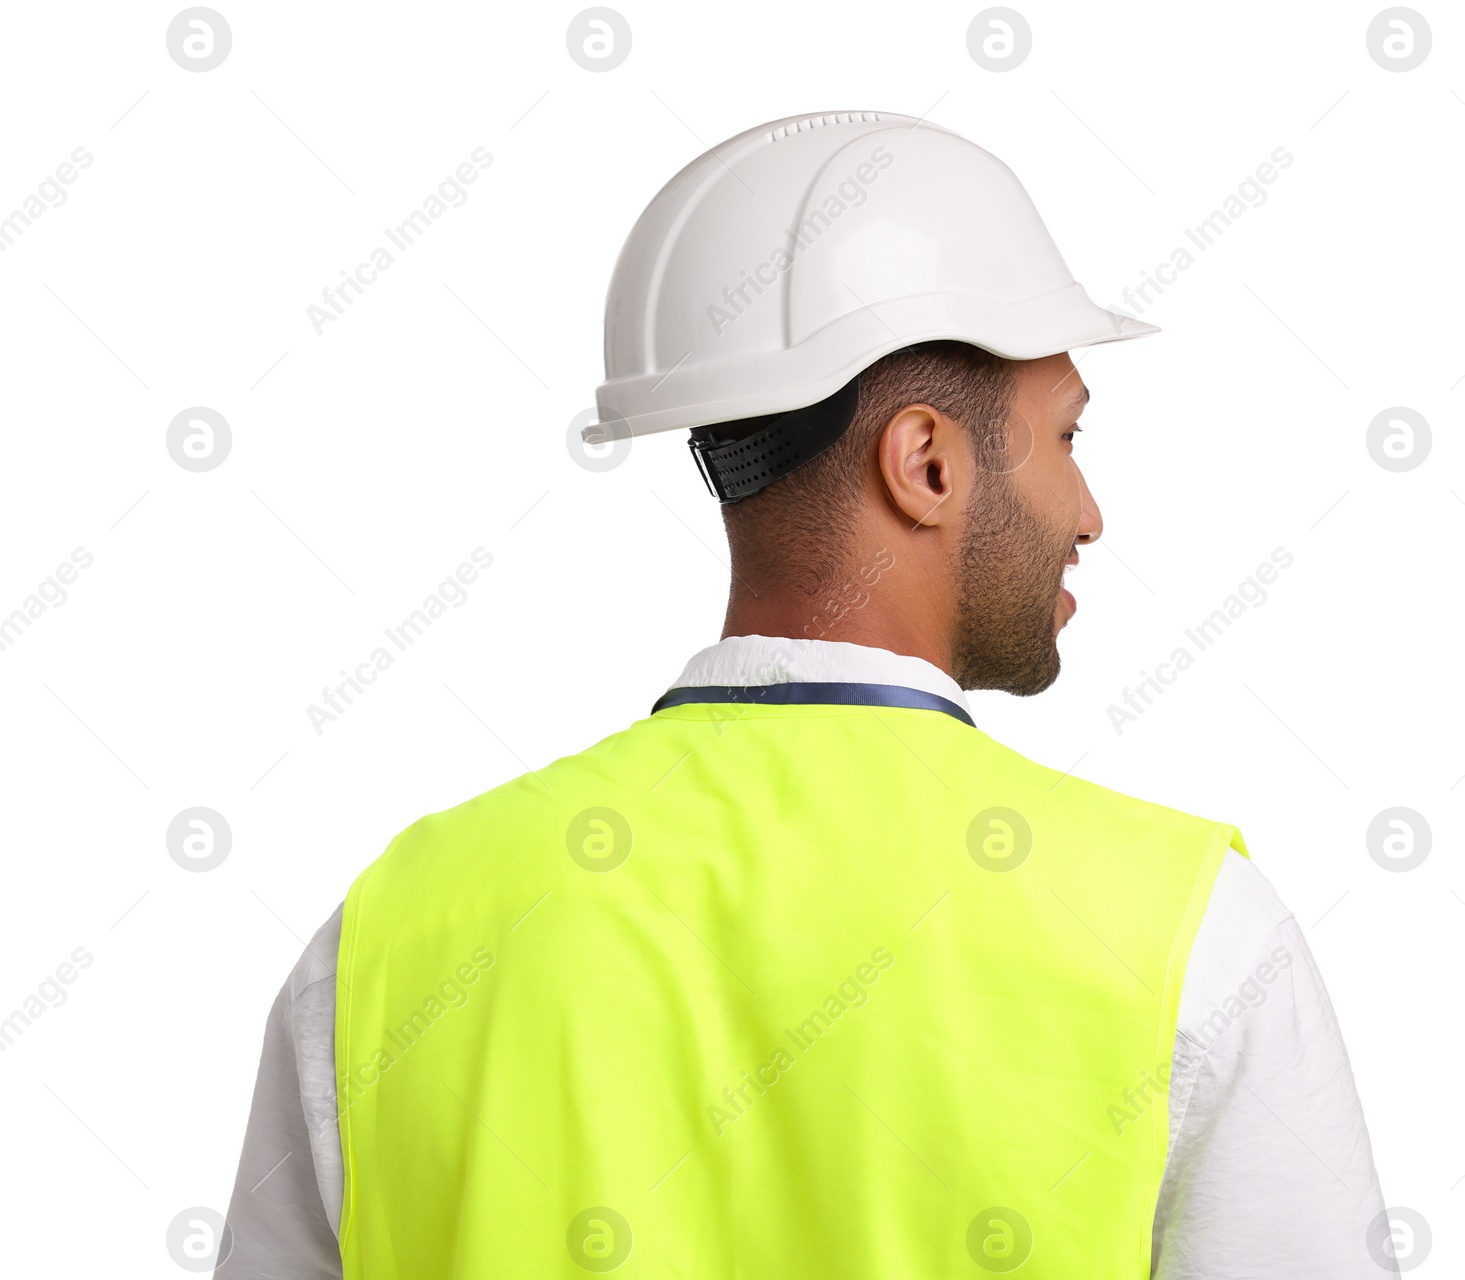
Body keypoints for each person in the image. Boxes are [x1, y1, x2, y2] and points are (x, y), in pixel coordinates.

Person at [223, 112, 1392, 1278]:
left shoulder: (392, 937)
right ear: (927, 462)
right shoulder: (1187, 933)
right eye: (1065, 436)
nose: (1089, 512)